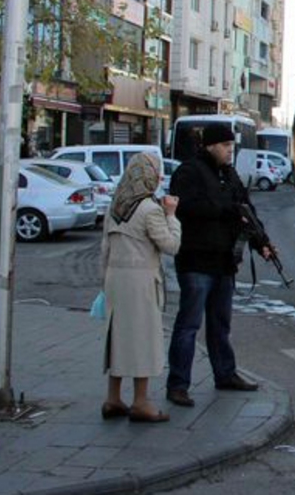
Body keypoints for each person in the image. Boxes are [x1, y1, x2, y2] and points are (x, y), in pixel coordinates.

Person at [165, 123, 274, 408]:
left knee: (220, 325)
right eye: (226, 146)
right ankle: (178, 384)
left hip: (223, 261)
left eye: (231, 146)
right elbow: (183, 207)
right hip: (196, 260)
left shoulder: (229, 174)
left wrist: (261, 241)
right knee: (189, 325)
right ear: (211, 146)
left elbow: (246, 210)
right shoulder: (189, 171)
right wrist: (223, 209)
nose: (230, 151)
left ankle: (225, 374)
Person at [100, 153, 181, 423]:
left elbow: (105, 249)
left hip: (115, 278)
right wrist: (171, 215)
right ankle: (141, 401)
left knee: (118, 337)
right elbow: (171, 246)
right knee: (142, 339)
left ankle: (113, 398)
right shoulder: (149, 209)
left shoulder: (116, 206)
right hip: (141, 280)